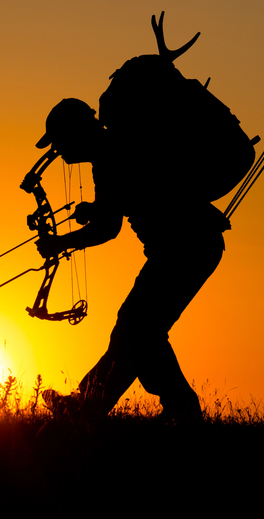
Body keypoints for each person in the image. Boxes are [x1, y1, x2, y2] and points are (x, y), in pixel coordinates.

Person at [36, 55, 230, 422]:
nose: (58, 151)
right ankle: (88, 404)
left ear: (76, 131)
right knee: (134, 330)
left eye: (60, 141)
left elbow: (108, 228)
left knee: (140, 328)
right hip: (186, 246)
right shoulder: (112, 151)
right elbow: (128, 200)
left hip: (187, 247)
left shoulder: (110, 156)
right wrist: (95, 209)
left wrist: (61, 243)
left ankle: (181, 409)